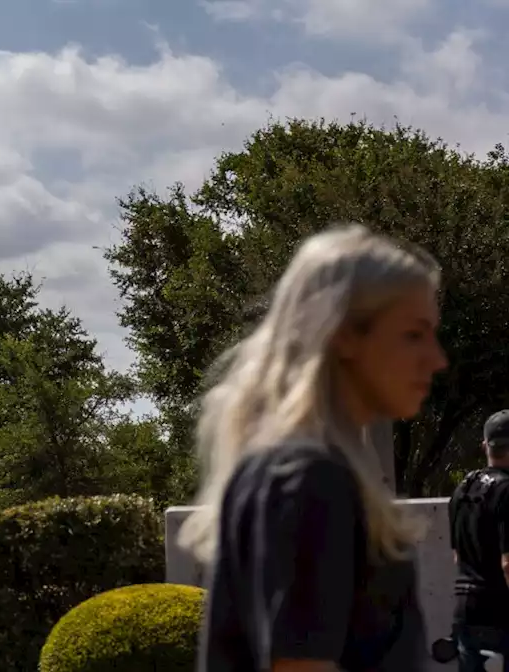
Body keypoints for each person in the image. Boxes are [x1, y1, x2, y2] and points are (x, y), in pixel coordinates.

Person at [178, 224, 448, 671]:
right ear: (344, 334)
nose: (438, 359)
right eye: (413, 335)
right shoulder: (310, 480)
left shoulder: (278, 467)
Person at [449, 410, 509, 671]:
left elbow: (457, 557)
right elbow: (508, 564)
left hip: (465, 613)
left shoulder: (463, 488)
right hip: (499, 615)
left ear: (486, 446)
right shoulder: (507, 491)